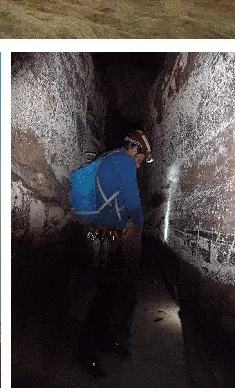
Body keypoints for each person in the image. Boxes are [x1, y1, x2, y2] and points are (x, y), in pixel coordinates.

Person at [76, 130, 152, 378]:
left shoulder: (113, 158)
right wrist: (140, 222)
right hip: (105, 237)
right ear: (136, 150)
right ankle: (86, 352)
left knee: (109, 292)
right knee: (104, 295)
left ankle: (103, 339)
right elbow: (132, 201)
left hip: (105, 234)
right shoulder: (123, 161)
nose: (140, 165)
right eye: (142, 159)